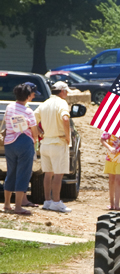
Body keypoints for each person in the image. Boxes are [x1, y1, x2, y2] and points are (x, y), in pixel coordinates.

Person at [2, 83, 41, 215]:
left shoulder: (9, 107)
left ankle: (7, 204)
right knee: (23, 174)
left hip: (9, 143)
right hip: (24, 142)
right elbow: (34, 130)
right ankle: (18, 206)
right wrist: (35, 140)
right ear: (28, 96)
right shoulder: (28, 111)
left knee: (11, 173)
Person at [34, 81, 72, 213]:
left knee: (48, 174)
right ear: (62, 91)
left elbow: (32, 119)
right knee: (58, 175)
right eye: (66, 91)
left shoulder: (44, 104)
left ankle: (47, 200)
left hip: (46, 142)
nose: (66, 94)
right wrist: (67, 136)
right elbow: (65, 119)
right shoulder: (62, 103)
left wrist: (40, 132)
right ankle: (56, 201)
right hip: (58, 142)